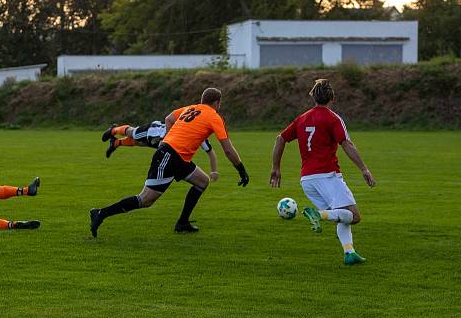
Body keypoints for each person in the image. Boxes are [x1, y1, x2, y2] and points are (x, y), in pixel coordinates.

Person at [90, 87, 249, 236]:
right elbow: (227, 149)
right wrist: (241, 170)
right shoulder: (214, 116)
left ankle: (182, 223)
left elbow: (169, 118)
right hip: (170, 155)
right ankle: (101, 213)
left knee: (202, 181)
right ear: (217, 103)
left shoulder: (190, 108)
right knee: (146, 200)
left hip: (179, 158)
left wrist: (166, 138)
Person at [270, 78, 376, 265]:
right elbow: (347, 144)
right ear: (332, 98)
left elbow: (280, 139)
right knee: (354, 216)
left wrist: (276, 168)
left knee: (340, 216)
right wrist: (364, 169)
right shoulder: (333, 118)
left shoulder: (301, 118)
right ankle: (318, 214)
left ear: (313, 97)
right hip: (327, 176)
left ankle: (349, 253)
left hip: (307, 181)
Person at [101, 120, 220, 182]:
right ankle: (114, 130)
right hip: (154, 131)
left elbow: (211, 153)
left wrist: (214, 171)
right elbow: (170, 120)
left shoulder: (201, 137)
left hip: (164, 144)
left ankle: (116, 143)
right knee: (133, 134)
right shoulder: (187, 126)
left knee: (139, 143)